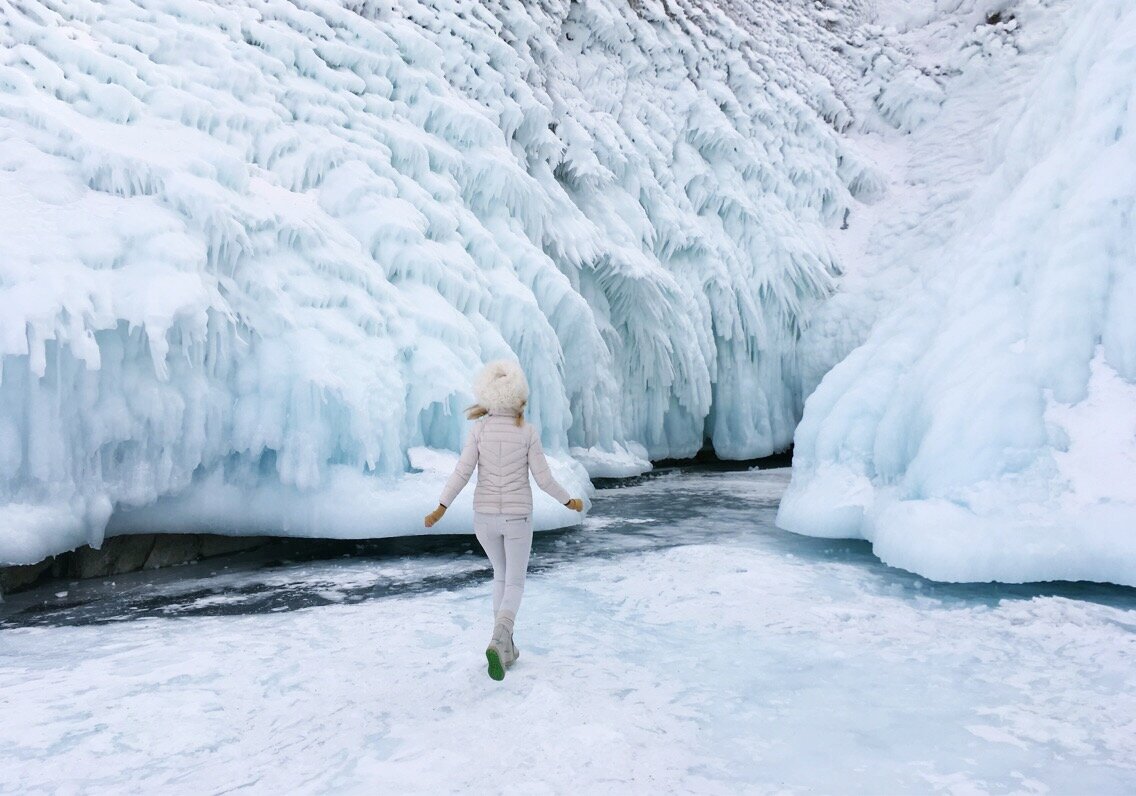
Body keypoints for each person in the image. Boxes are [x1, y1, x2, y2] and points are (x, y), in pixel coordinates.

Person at [424, 360, 584, 681]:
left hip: (483, 519)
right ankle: (500, 636)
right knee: (515, 582)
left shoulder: (479, 430)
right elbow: (543, 479)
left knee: (500, 575)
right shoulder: (526, 432)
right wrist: (568, 499)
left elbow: (462, 471)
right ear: (518, 395)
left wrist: (441, 506)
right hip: (517, 518)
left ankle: (506, 646)